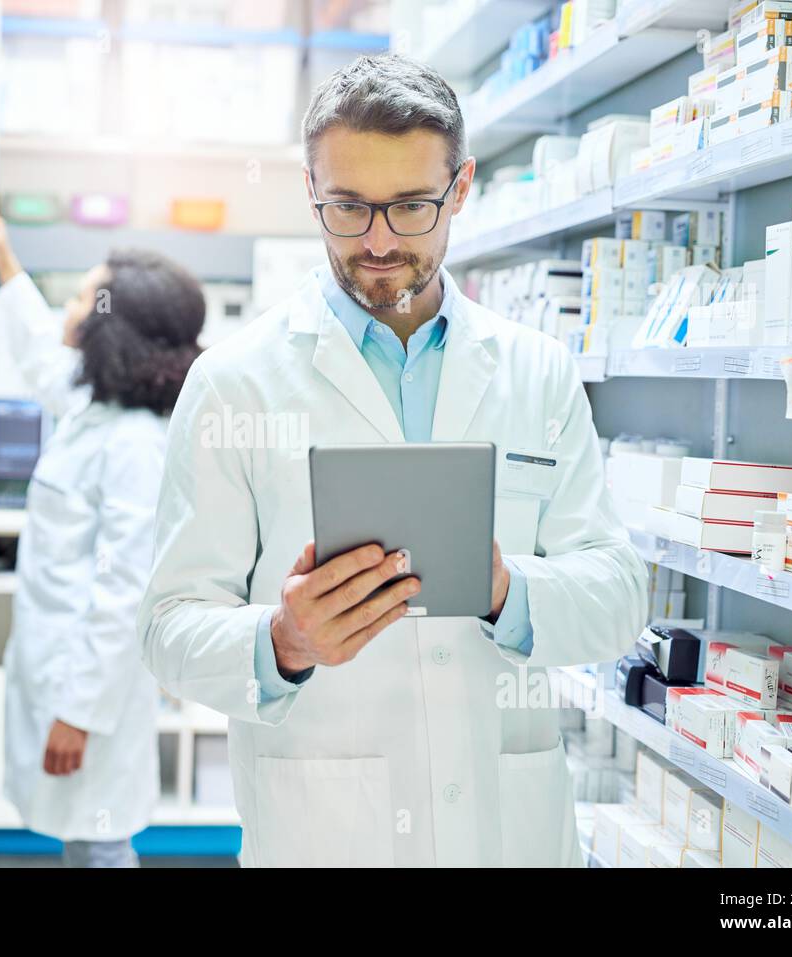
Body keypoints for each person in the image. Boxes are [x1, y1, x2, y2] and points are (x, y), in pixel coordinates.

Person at [137, 55, 648, 867]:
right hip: (328, 831)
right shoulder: (235, 383)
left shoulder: (537, 372)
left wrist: (506, 592)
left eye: (411, 206)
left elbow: (620, 594)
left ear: (463, 186)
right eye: (347, 207)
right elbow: (167, 629)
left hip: (506, 827)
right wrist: (283, 640)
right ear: (311, 189)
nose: (377, 241)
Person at [0, 212, 204, 868]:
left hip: (88, 690)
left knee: (100, 841)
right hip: (59, 669)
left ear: (113, 327)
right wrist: (4, 259)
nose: (70, 307)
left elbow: (123, 592)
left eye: (80, 297)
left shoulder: (134, 444)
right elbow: (42, 357)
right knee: (84, 839)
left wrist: (79, 712)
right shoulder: (94, 403)